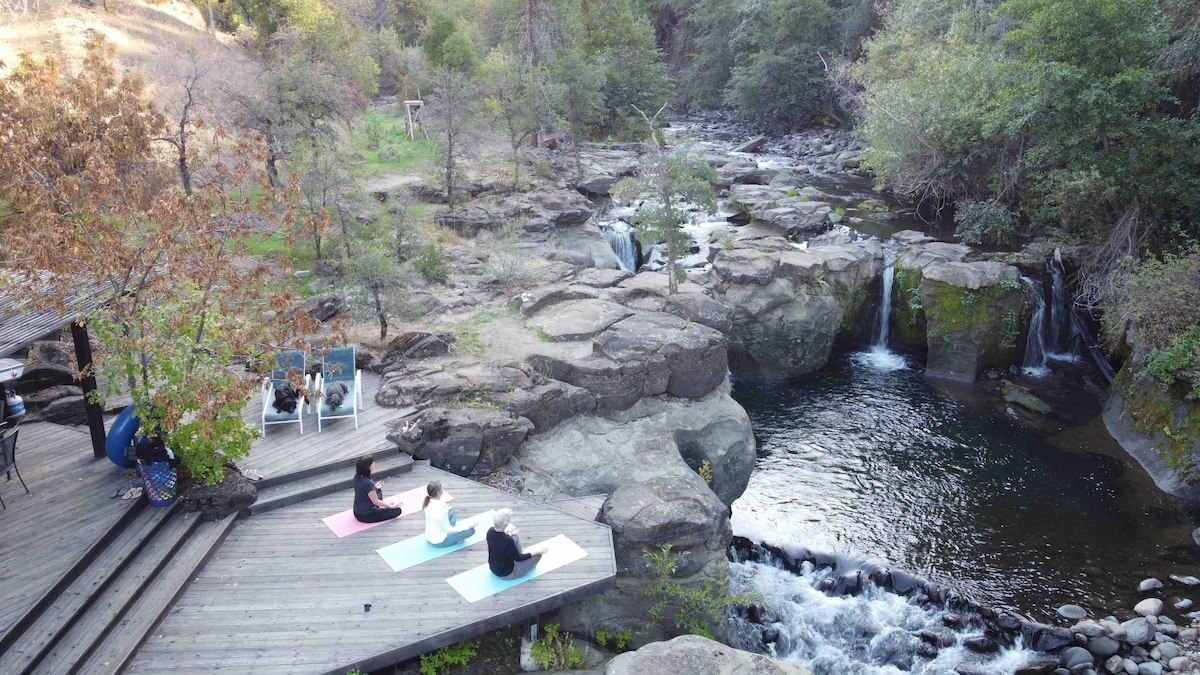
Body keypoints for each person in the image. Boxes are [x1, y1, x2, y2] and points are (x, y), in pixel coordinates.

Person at [486, 508, 549, 580]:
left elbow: (500, 540)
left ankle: (522, 557)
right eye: (508, 519)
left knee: (515, 537)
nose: (509, 521)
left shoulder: (490, 531)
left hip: (494, 568)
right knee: (538, 556)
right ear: (505, 523)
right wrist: (537, 552)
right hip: (507, 573)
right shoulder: (508, 541)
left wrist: (510, 534)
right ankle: (528, 565)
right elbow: (519, 558)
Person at [424, 480, 477, 547]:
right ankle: (457, 540)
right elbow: (449, 529)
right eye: (441, 488)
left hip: (429, 536)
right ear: (438, 493)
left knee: (452, 512)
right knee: (471, 531)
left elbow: (435, 511)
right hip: (439, 541)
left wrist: (447, 508)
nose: (443, 489)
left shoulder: (427, 503)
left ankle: (454, 537)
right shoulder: (441, 511)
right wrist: (468, 526)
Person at [352, 455, 404, 523]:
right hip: (366, 515)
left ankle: (380, 507)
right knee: (397, 510)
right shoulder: (368, 483)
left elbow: (363, 491)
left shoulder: (356, 477)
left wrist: (375, 488)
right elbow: (375, 501)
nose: (374, 463)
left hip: (356, 511)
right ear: (368, 467)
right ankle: (382, 508)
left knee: (378, 490)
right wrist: (391, 506)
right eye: (372, 463)